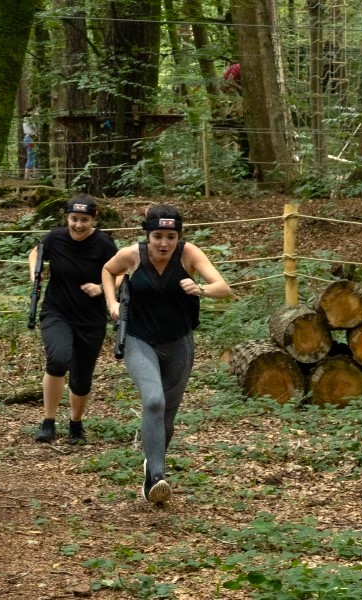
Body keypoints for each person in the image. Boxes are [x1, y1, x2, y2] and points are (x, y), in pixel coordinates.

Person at [100, 204, 230, 505]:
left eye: (170, 237)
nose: (163, 244)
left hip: (178, 343)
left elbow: (223, 287)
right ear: (148, 235)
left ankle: (151, 468)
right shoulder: (133, 255)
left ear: (178, 236)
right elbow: (108, 270)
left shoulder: (189, 254)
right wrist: (112, 303)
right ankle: (157, 476)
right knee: (154, 401)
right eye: (157, 236)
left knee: (166, 416)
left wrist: (201, 289)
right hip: (139, 339)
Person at [28, 195, 118, 445]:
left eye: (84, 220)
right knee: (57, 360)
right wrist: (35, 276)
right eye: (74, 219)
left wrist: (102, 287)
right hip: (57, 312)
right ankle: (48, 421)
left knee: (81, 378)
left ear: (94, 219)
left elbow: (121, 274)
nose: (78, 225)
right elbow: (35, 253)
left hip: (91, 318)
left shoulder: (104, 243)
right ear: (67, 217)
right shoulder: (55, 237)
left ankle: (76, 423)